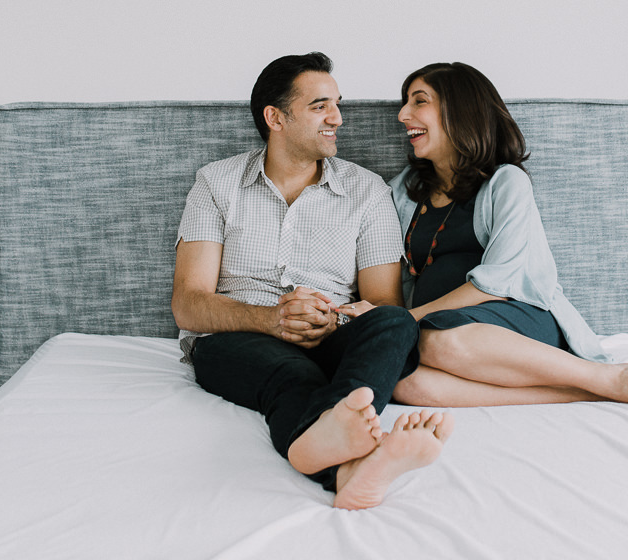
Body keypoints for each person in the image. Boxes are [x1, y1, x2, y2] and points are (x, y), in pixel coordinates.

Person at [172, 53, 453, 510]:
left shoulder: (367, 191)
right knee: (293, 374)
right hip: (237, 337)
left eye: (337, 104)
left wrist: (334, 320)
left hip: (331, 332)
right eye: (321, 106)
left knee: (396, 326)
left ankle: (348, 463)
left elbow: (384, 302)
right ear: (275, 117)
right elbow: (188, 303)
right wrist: (272, 320)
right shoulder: (216, 184)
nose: (338, 118)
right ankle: (345, 465)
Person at [356, 61, 628, 414]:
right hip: (435, 326)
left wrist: (410, 320)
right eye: (406, 102)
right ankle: (581, 393)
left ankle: (608, 377)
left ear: (459, 112)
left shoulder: (506, 182)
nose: (403, 114)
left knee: (439, 344)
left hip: (514, 318)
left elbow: (496, 282)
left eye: (419, 101)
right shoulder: (400, 193)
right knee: (404, 381)